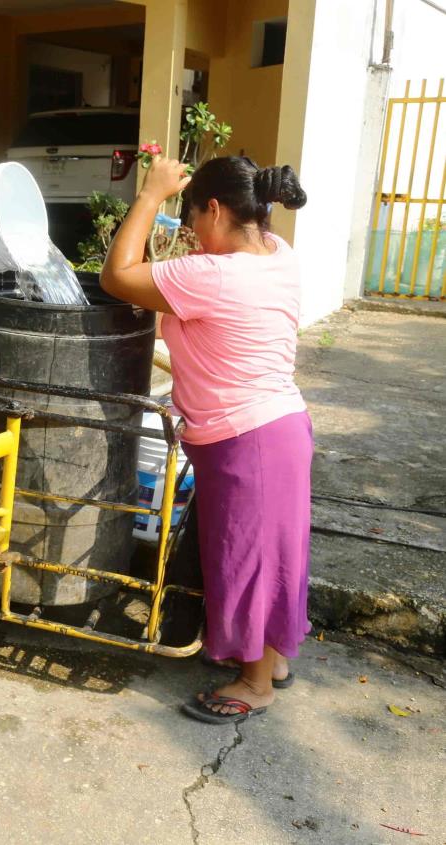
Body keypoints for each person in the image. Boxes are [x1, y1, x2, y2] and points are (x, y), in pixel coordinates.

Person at [100, 154, 311, 724]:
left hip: (250, 440)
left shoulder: (213, 277)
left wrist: (149, 196)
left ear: (215, 209)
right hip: (277, 429)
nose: (191, 230)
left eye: (194, 216)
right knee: (273, 556)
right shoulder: (277, 255)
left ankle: (255, 684)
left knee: (250, 561)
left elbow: (116, 276)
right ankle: (271, 660)